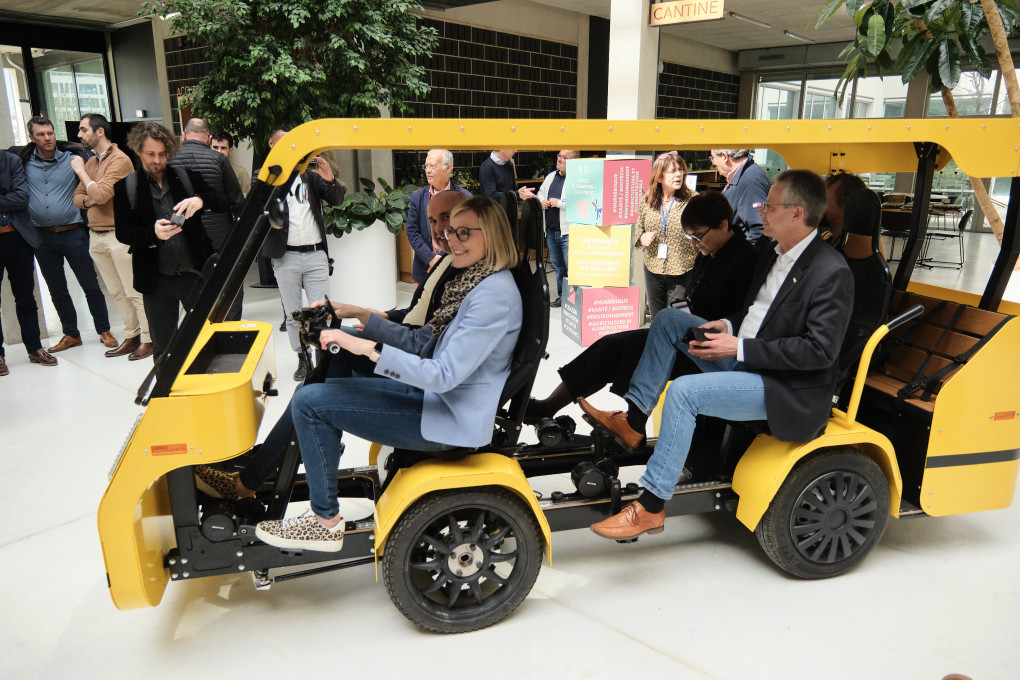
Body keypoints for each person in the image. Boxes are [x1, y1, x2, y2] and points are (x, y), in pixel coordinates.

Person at [580, 170, 854, 540]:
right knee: (668, 320)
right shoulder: (772, 254)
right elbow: (756, 313)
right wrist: (727, 325)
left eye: (769, 207)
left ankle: (652, 505)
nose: (760, 212)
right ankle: (635, 421)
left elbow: (819, 352)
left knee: (684, 393)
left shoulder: (831, 271)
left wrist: (738, 346)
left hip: (784, 387)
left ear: (797, 213)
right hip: (747, 359)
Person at [255, 196, 523, 551]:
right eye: (450, 232)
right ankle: (283, 464)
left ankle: (324, 522)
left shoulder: (493, 295)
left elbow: (443, 375)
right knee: (317, 387)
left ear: (491, 235)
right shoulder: (475, 281)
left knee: (310, 402)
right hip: (437, 401)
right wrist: (358, 319)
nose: (452, 240)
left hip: (447, 418)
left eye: (463, 233)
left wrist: (368, 348)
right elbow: (425, 342)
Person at [194, 190, 469, 501]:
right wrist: (365, 313)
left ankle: (253, 479)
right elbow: (416, 313)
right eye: (432, 220)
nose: (438, 228)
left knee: (320, 377)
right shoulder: (447, 262)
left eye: (446, 218)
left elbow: (422, 340)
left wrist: (366, 339)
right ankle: (292, 450)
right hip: (410, 354)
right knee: (323, 361)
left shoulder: (464, 274)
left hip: (415, 371)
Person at [527, 192, 758, 420]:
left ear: (723, 225)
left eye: (698, 236)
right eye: (690, 237)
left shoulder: (747, 259)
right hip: (687, 337)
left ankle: (633, 420)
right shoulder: (710, 253)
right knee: (611, 346)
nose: (694, 243)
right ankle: (551, 406)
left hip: (711, 350)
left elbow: (745, 316)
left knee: (626, 351)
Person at [113, 122, 226, 360]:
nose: (157, 160)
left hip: (195, 273)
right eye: (151, 154)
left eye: (162, 154)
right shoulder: (126, 188)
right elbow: (123, 232)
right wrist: (152, 234)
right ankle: (169, 384)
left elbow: (221, 201)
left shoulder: (185, 177)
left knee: (207, 340)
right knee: (164, 349)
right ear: (138, 151)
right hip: (156, 280)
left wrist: (200, 200)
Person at [18, 115, 116, 353]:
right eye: (41, 134)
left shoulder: (74, 160)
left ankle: (104, 330)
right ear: (31, 137)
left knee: (90, 285)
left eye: (50, 133)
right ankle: (71, 334)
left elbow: (94, 186)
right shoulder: (23, 162)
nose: (47, 138)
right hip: (42, 237)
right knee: (57, 289)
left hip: (73, 233)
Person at [262, 124, 345, 381]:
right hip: (285, 255)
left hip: (315, 254)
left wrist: (330, 179)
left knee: (321, 310)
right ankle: (302, 357)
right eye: (283, 143)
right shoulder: (265, 177)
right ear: (272, 145)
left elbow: (337, 200)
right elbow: (260, 213)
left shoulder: (310, 175)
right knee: (292, 313)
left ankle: (322, 357)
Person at [74, 113, 153, 360]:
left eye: (83, 130)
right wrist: (91, 195)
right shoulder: (92, 162)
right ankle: (131, 336)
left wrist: (81, 173)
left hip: (118, 235)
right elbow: (78, 198)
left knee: (133, 291)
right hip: (95, 236)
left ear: (99, 131)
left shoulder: (120, 160)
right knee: (116, 292)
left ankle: (149, 339)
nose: (79, 134)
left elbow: (101, 195)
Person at [170, 118, 245, 320]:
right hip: (221, 235)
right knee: (229, 282)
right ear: (209, 138)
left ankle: (201, 327)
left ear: (184, 135)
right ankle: (229, 327)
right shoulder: (219, 159)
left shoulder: (170, 159)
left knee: (194, 286)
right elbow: (236, 200)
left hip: (183, 236)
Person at [0, 149, 58, 374]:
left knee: (25, 297)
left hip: (17, 237)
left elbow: (22, 197)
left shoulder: (11, 160)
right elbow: (13, 198)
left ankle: (34, 348)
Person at [636, 151, 699, 319]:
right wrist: (642, 237)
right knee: (657, 319)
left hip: (683, 271)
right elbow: (639, 226)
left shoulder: (694, 200)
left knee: (679, 317)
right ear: (659, 177)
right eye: (672, 171)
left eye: (681, 170)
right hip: (653, 269)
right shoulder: (647, 200)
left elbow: (705, 232)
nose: (678, 174)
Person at [405, 148, 471, 284]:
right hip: (425, 268)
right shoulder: (417, 197)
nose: (427, 171)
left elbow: (466, 233)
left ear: (448, 168)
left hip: (455, 268)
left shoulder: (464, 198)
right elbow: (412, 231)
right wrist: (430, 258)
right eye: (426, 166)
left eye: (433, 166)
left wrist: (441, 260)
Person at [536, 150, 578, 307]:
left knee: (571, 269)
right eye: (559, 156)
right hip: (551, 231)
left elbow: (581, 202)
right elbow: (540, 193)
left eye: (564, 158)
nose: (559, 159)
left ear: (574, 161)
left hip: (568, 232)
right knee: (558, 267)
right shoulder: (551, 176)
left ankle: (574, 300)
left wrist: (559, 203)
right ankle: (562, 296)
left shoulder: (577, 180)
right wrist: (542, 200)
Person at [710, 148, 771, 245]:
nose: (713, 163)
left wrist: (741, 253)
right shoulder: (744, 176)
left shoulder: (751, 180)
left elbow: (760, 229)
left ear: (724, 156)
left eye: (712, 157)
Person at [210, 131, 251, 196]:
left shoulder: (240, 172)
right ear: (210, 148)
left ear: (230, 151)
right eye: (215, 147)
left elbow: (248, 198)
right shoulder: (202, 169)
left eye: (223, 148)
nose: (219, 152)